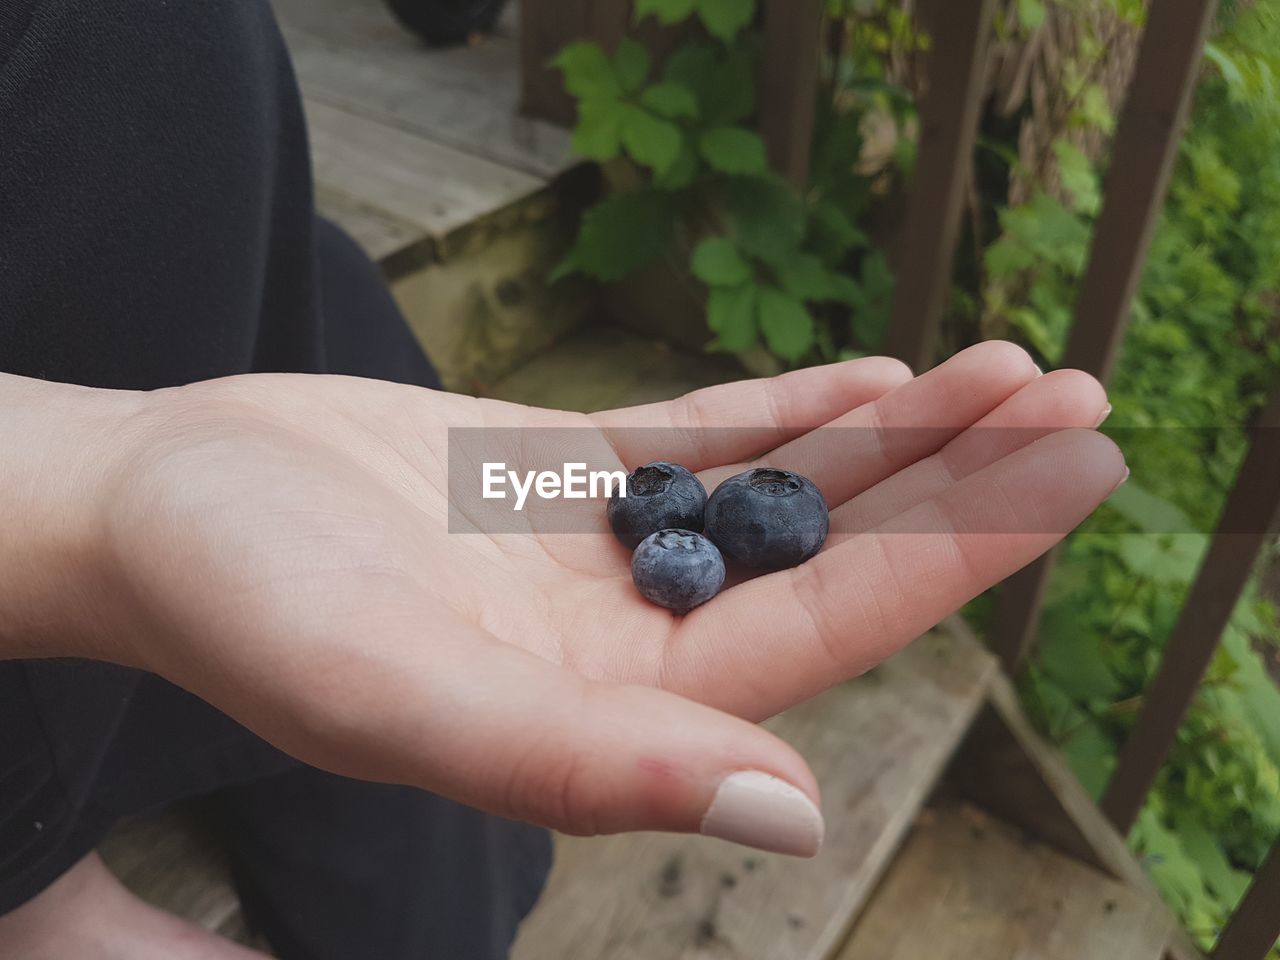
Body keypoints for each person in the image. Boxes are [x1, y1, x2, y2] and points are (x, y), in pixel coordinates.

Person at [0, 2, 1125, 959]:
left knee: (432, 839)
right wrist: (103, 491)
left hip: (201, 294)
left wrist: (102, 469)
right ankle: (36, 884)